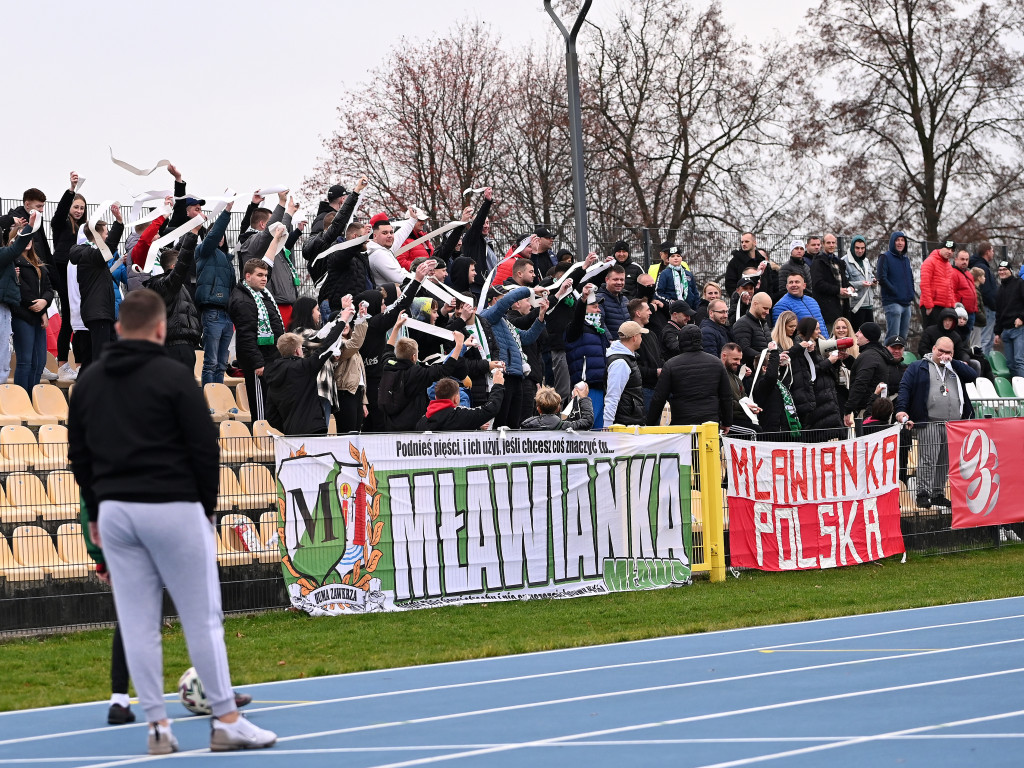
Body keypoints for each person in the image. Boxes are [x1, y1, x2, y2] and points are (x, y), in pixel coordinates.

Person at [68, 289, 276, 755]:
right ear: (161, 329)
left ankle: (158, 728)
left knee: (138, 623)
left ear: (119, 327)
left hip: (117, 511)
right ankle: (226, 719)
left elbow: (79, 456)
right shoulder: (174, 375)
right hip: (172, 503)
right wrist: (205, 506)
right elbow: (204, 447)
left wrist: (98, 512)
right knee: (202, 620)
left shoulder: (91, 380)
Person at [895, 336, 978, 509]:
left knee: (945, 460)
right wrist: (901, 409)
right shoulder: (918, 366)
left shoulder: (954, 368)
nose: (944, 355)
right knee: (928, 459)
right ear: (933, 348)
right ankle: (922, 493)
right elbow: (905, 388)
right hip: (930, 421)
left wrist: (952, 363)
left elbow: (972, 376)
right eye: (941, 351)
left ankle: (938, 492)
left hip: (953, 424)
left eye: (948, 352)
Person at [263, 309, 349, 435]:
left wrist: (287, 427)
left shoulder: (272, 374)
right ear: (298, 351)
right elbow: (327, 346)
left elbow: (271, 416)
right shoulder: (305, 366)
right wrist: (342, 320)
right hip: (313, 430)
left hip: (291, 433)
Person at [379, 312, 465, 431]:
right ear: (414, 357)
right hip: (412, 430)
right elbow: (445, 369)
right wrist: (459, 345)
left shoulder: (388, 365)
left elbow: (388, 348)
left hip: (389, 428)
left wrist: (397, 327)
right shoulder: (417, 373)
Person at [228, 259, 285, 422]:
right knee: (261, 409)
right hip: (259, 363)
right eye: (259, 275)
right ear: (247, 276)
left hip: (271, 358)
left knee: (272, 406)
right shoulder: (243, 300)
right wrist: (257, 363)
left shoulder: (263, 294)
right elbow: (246, 336)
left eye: (266, 275)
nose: (264, 279)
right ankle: (262, 439)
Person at [69, 205, 125, 366]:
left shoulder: (92, 255)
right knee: (100, 359)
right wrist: (119, 223)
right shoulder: (89, 253)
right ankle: (96, 389)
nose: (108, 235)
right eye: (106, 232)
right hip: (98, 313)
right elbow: (108, 249)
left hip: (104, 313)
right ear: (98, 236)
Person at [647, 324, 732, 429]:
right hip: (710, 424)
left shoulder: (670, 365)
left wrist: (649, 424)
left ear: (681, 340)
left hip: (682, 423)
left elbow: (659, 398)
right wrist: (727, 422)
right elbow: (726, 396)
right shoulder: (717, 363)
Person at [50, 173, 88, 381]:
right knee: (68, 317)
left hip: (79, 273)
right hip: (63, 270)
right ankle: (62, 364)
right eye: (76, 207)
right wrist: (71, 189)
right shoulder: (60, 224)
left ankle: (81, 364)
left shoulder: (85, 229)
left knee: (79, 318)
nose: (78, 211)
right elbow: (60, 211)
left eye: (82, 208)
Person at [10, 224, 53, 393]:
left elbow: (49, 289)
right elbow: (22, 289)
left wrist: (44, 303)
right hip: (23, 316)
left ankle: (33, 397)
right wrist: (41, 308)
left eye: (29, 237)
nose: (27, 240)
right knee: (25, 361)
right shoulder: (12, 262)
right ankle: (22, 400)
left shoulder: (39, 264)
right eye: (23, 236)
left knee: (40, 362)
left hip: (38, 317)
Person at [565, 283, 611, 427]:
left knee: (598, 429)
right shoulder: (574, 328)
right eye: (595, 307)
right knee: (587, 429)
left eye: (599, 307)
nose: (599, 311)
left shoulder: (598, 330)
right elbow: (578, 317)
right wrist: (583, 299)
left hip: (600, 385)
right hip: (586, 387)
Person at [842, 321, 896, 427]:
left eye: (860, 332)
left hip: (869, 411)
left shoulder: (868, 356)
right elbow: (869, 374)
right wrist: (849, 360)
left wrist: (848, 409)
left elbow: (861, 383)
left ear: (867, 337)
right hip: (878, 410)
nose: (856, 334)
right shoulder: (875, 354)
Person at [416, 373, 505, 431]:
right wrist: (498, 385)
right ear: (456, 399)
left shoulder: (422, 421)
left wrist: (476, 425)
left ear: (435, 397)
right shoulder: (460, 415)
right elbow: (491, 409)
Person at [603, 320, 647, 426]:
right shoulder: (620, 363)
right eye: (640, 335)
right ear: (634, 338)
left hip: (628, 420)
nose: (642, 339)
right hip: (624, 423)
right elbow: (613, 395)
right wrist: (607, 425)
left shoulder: (626, 358)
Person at [876, 230, 914, 340]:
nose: (900, 243)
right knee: (893, 336)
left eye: (902, 240)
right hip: (893, 302)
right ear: (893, 242)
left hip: (906, 303)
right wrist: (894, 290)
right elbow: (882, 278)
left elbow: (910, 278)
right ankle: (887, 356)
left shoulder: (906, 260)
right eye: (897, 240)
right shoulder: (885, 257)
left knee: (903, 337)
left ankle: (899, 357)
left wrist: (911, 292)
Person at [809, 233, 852, 329]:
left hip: (842, 306)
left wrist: (850, 287)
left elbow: (843, 280)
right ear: (823, 244)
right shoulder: (818, 262)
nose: (831, 245)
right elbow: (818, 284)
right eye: (828, 243)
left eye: (833, 242)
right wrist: (838, 290)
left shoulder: (839, 262)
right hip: (827, 309)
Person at [367, 210, 417, 287]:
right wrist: (420, 279)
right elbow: (400, 278)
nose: (389, 235)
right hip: (391, 297)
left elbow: (400, 236)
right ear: (375, 236)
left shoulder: (382, 247)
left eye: (391, 232)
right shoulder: (379, 254)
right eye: (385, 233)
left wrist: (412, 220)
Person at [994, 259, 1024, 378]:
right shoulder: (1000, 290)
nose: (1002, 272)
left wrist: (1022, 318)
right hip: (1005, 331)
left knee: (1019, 361)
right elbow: (999, 312)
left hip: (1019, 329)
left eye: (1005, 269)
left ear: (1010, 271)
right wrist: (997, 332)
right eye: (1000, 270)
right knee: (1010, 364)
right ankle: (1016, 392)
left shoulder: (1019, 283)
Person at [521, 383, 595, 430]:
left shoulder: (527, 425)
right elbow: (587, 421)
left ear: (538, 409)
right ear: (558, 409)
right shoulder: (565, 426)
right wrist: (583, 398)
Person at [919, 238, 956, 327]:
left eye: (952, 250)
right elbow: (924, 284)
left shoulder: (948, 266)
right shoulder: (930, 261)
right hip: (933, 306)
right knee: (931, 335)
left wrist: (952, 305)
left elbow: (950, 287)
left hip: (945, 307)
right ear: (941, 248)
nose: (950, 252)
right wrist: (928, 305)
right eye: (947, 248)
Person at [969, 241, 998, 354]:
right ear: (987, 252)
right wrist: (993, 304)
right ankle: (982, 367)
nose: (993, 253)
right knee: (985, 340)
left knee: (988, 340)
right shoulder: (982, 267)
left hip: (987, 307)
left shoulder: (981, 266)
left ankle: (985, 367)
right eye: (992, 251)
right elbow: (986, 291)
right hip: (987, 308)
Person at [731, 292, 773, 368]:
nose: (767, 312)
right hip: (750, 373)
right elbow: (744, 350)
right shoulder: (742, 324)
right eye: (765, 308)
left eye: (769, 309)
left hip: (764, 370)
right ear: (755, 304)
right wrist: (766, 358)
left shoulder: (764, 324)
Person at [844, 235, 877, 329]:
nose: (860, 251)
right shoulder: (845, 261)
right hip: (855, 306)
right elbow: (845, 283)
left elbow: (871, 277)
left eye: (862, 248)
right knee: (857, 337)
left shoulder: (866, 261)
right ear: (852, 247)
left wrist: (874, 282)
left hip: (869, 304)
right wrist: (861, 284)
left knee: (870, 337)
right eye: (857, 248)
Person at [723, 232, 768, 296]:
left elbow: (770, 283)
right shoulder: (734, 262)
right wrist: (739, 298)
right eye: (742, 242)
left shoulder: (762, 262)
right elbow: (730, 284)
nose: (743, 244)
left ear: (754, 242)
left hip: (761, 300)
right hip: (742, 301)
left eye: (747, 241)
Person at [951, 249, 977, 334]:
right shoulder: (953, 273)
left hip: (971, 313)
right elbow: (952, 293)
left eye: (966, 259)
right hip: (960, 313)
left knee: (966, 340)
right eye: (962, 259)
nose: (965, 262)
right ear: (956, 260)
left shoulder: (969, 274)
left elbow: (973, 292)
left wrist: (975, 309)